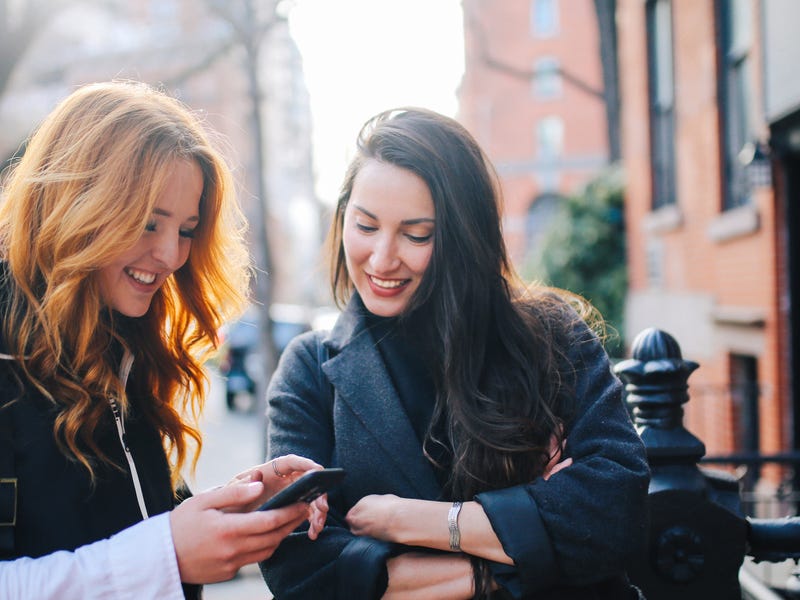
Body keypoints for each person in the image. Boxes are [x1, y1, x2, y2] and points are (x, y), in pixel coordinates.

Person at [260, 108, 650, 599]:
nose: (382, 259)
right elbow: (301, 572)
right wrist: (508, 564)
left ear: (464, 236)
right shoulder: (309, 370)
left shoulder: (551, 336)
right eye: (365, 226)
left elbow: (615, 514)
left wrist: (408, 521)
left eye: (416, 234)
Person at [0, 81, 327, 599]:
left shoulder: (126, 348)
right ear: (77, 204)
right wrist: (167, 553)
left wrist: (238, 504)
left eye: (187, 229)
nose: (172, 254)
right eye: (149, 223)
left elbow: (131, 532)